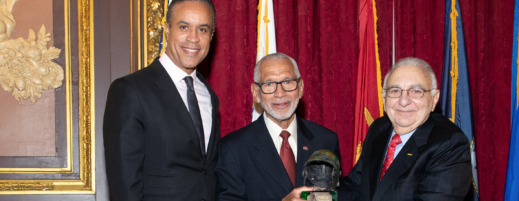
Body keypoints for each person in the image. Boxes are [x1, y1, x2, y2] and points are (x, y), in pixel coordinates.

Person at [103, 0, 219, 200]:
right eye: (184, 27)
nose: (193, 38)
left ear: (211, 35)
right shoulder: (130, 90)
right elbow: (124, 185)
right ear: (167, 29)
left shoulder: (209, 95)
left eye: (202, 29)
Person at [339, 57, 472, 201]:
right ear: (384, 98)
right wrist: (317, 195)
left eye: (416, 91)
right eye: (395, 90)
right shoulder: (379, 128)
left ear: (434, 99)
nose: (403, 101)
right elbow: (356, 185)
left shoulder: (449, 144)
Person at [215, 53, 341, 201]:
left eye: (287, 82)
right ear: (256, 93)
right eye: (269, 84)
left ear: (300, 88)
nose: (280, 93)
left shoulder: (325, 140)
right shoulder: (233, 149)